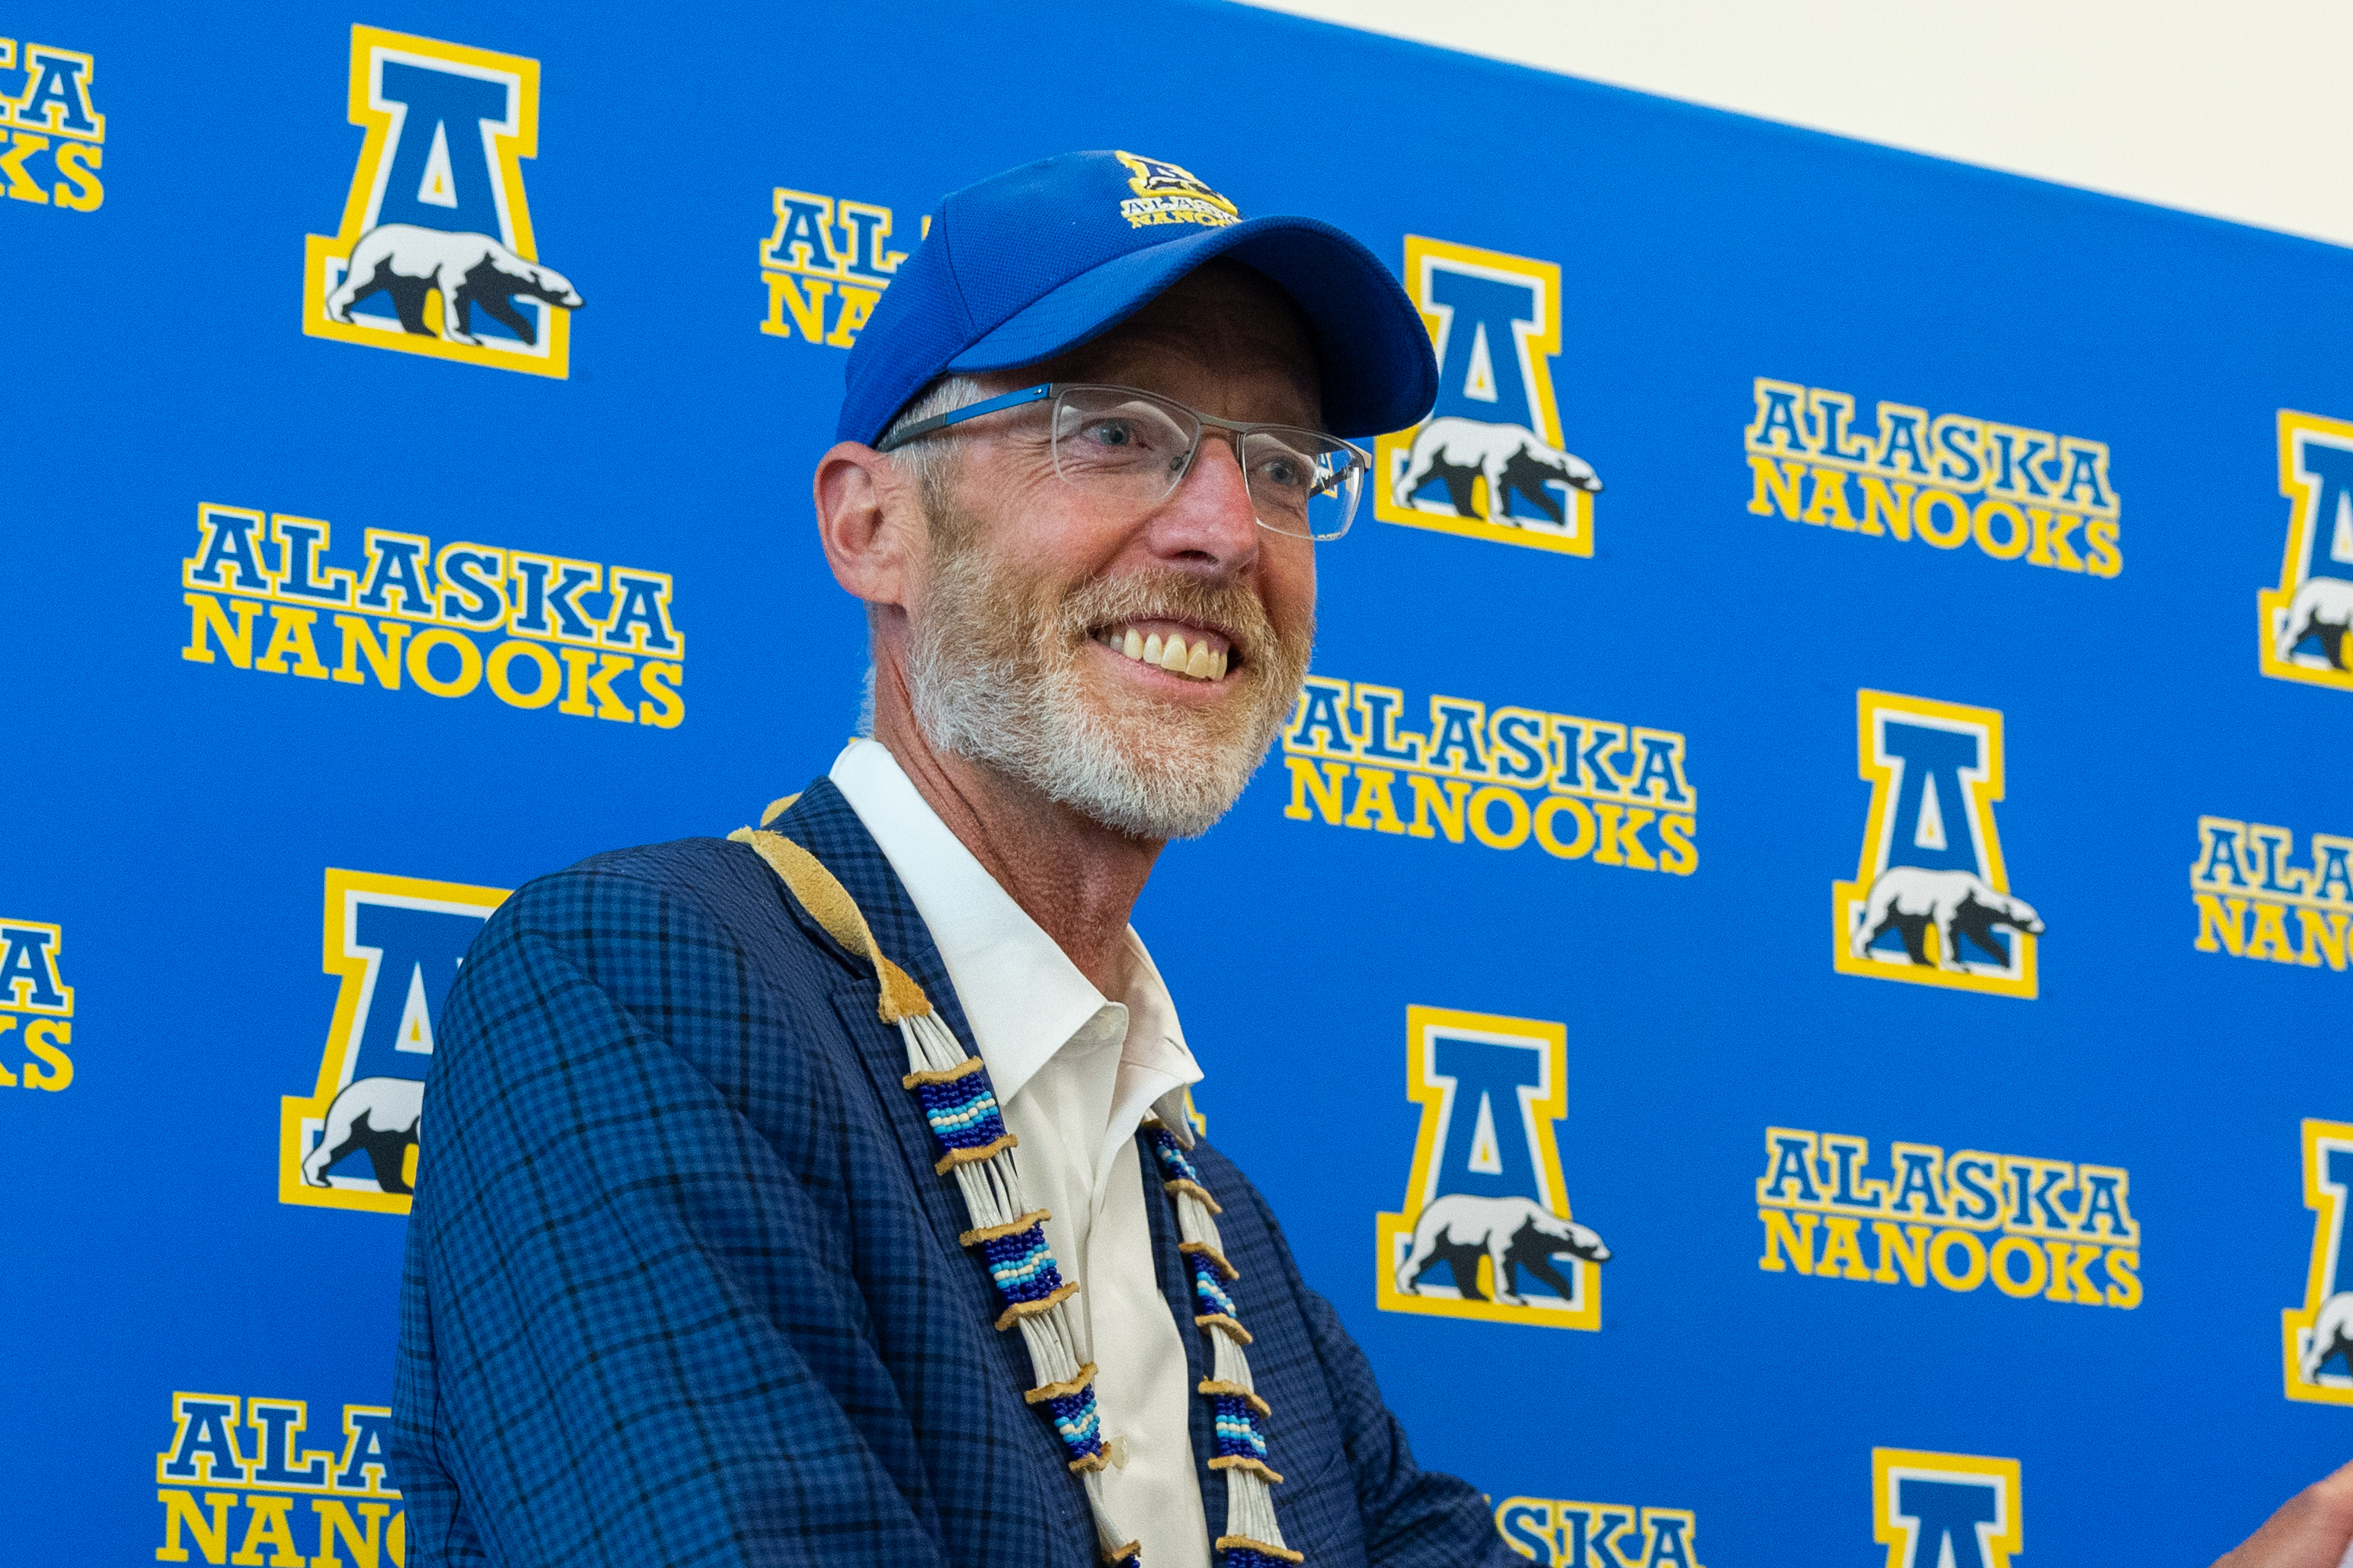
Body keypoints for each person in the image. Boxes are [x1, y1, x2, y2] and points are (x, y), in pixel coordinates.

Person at [390, 148, 1511, 1567]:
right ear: (872, 527)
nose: (1224, 528)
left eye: (1280, 468)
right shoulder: (631, 989)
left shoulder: (1219, 1226)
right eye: (1111, 432)